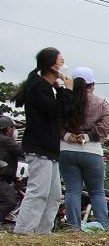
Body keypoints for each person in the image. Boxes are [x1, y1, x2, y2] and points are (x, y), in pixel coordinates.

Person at [12, 47, 74, 235]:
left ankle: (42, 232)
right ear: (53, 66)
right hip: (39, 147)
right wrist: (67, 90)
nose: (64, 66)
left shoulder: (46, 87)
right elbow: (59, 111)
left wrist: (60, 89)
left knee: (54, 196)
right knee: (38, 192)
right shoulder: (38, 86)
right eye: (62, 62)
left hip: (49, 149)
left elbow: (60, 111)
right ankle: (24, 231)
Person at [56, 66, 109, 231]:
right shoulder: (101, 102)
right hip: (91, 150)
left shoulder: (65, 100)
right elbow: (108, 122)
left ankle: (73, 227)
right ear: (92, 85)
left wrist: (67, 135)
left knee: (72, 191)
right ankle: (102, 226)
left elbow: (55, 121)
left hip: (66, 150)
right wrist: (88, 136)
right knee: (97, 192)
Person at [0, 116, 23, 225]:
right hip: (1, 179)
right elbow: (23, 152)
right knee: (9, 201)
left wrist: (14, 178)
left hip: (4, 178)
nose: (14, 130)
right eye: (13, 128)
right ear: (8, 129)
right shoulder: (7, 140)